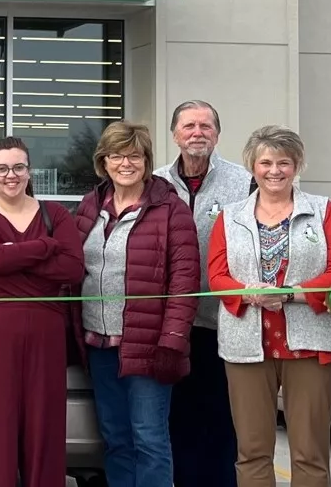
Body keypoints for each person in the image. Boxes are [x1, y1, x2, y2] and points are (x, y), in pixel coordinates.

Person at [207, 126, 331, 487]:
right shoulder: (230, 215)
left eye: (284, 162)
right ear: (252, 166)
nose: (275, 171)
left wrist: (288, 294)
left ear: (297, 165)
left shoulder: (323, 211)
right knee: (252, 450)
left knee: (309, 451)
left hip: (310, 344)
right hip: (247, 342)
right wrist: (248, 292)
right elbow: (217, 275)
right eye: (266, 162)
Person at [75, 120, 201, 487]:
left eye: (134, 155)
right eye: (117, 155)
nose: (125, 163)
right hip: (98, 344)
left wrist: (172, 341)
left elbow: (185, 282)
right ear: (104, 161)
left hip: (149, 346)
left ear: (146, 161)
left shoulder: (170, 210)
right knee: (116, 440)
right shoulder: (90, 205)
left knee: (150, 439)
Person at [0, 136, 86, 487]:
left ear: (30, 171)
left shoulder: (55, 214)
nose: (10, 175)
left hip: (45, 337)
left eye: (18, 167)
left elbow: (73, 269)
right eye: (1, 168)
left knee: (42, 428)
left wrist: (13, 257)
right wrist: (45, 247)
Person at [152, 99, 252, 487]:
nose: (198, 133)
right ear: (175, 134)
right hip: (170, 325)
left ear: (218, 134)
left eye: (206, 127)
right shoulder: (155, 182)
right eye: (189, 126)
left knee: (221, 422)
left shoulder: (243, 182)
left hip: (224, 323)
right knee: (175, 420)